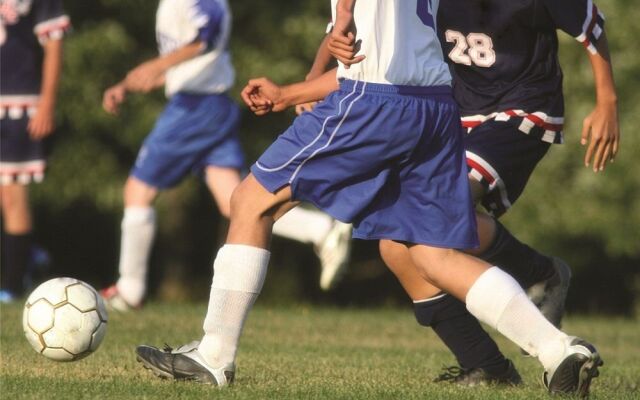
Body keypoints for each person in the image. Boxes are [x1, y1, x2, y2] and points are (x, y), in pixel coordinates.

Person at [134, 1, 602, 396]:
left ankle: (214, 354)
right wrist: (293, 90)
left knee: (251, 201)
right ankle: (558, 350)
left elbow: (358, 45)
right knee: (430, 250)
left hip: (374, 100)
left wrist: (342, 17)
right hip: (436, 106)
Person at [296, 0, 619, 387]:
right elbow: (353, 38)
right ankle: (488, 364)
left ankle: (553, 341)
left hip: (522, 112)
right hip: (454, 115)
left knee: (430, 227)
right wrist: (304, 85)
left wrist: (607, 102)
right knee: (395, 245)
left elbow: (592, 25)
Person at [100, 0, 351, 311]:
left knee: (137, 191)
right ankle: (321, 230)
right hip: (207, 105)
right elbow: (190, 58)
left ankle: (130, 289)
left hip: (195, 108)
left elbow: (206, 37)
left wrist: (158, 65)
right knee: (234, 202)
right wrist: (129, 83)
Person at [0, 0, 70, 302]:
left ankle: (13, 285)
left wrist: (47, 103)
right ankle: (28, 254)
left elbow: (54, 47)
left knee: (11, 192)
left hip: (20, 105)